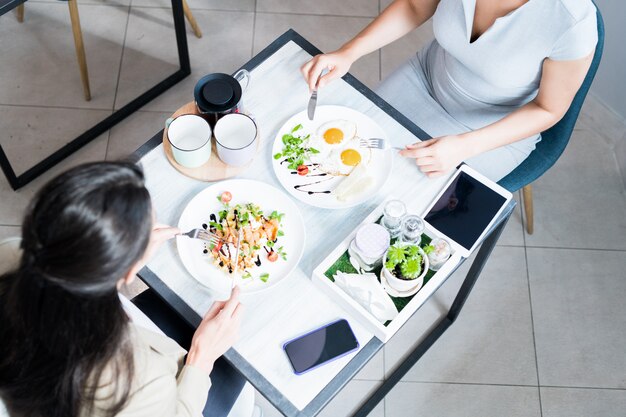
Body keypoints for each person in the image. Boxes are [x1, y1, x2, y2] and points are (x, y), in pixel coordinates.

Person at [0, 162, 257, 417]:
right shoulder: (138, 380)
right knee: (243, 369)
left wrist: (122, 259)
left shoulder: (11, 251)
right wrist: (203, 355)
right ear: (128, 272)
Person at [301, 0, 598, 182]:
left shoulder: (573, 20)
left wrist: (465, 146)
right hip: (426, 78)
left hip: (492, 128)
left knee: (398, 206)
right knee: (336, 157)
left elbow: (549, 109)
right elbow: (414, 6)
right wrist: (348, 53)